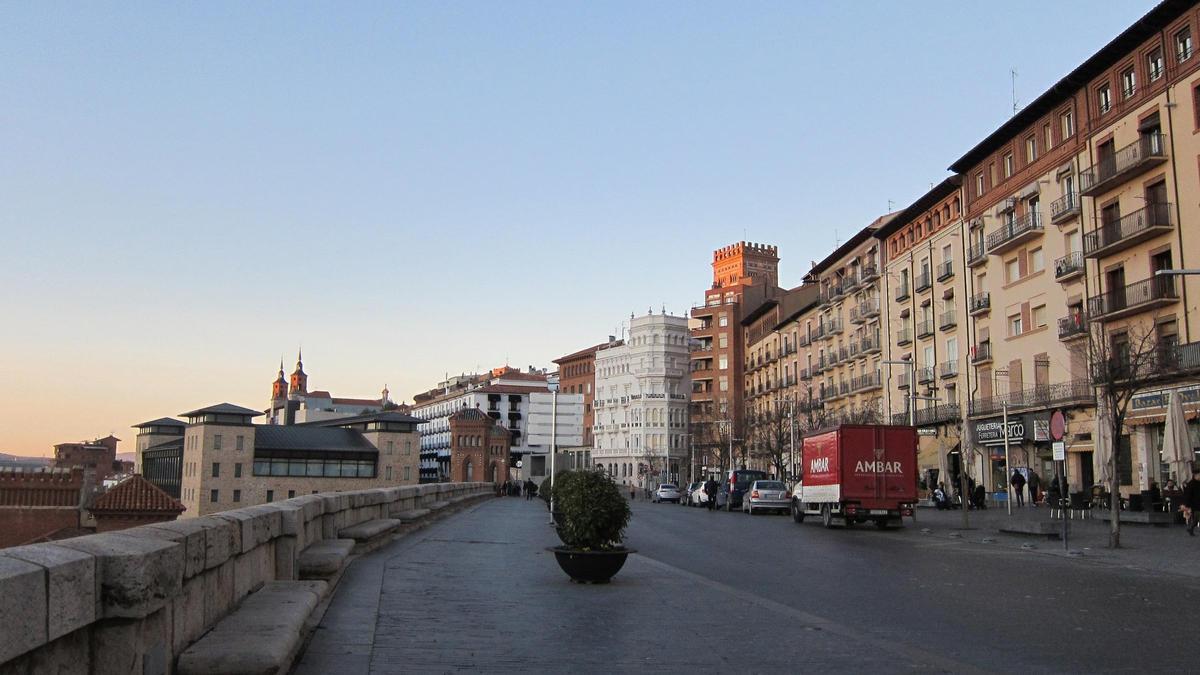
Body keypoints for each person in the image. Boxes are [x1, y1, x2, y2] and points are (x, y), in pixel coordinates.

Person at [1184, 468, 1200, 536]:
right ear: (1195, 475)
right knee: (1196, 517)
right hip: (1195, 504)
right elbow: (1188, 495)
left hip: (1198, 503)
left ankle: (1190, 528)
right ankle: (1191, 528)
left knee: (1196, 518)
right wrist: (1187, 505)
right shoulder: (1191, 484)